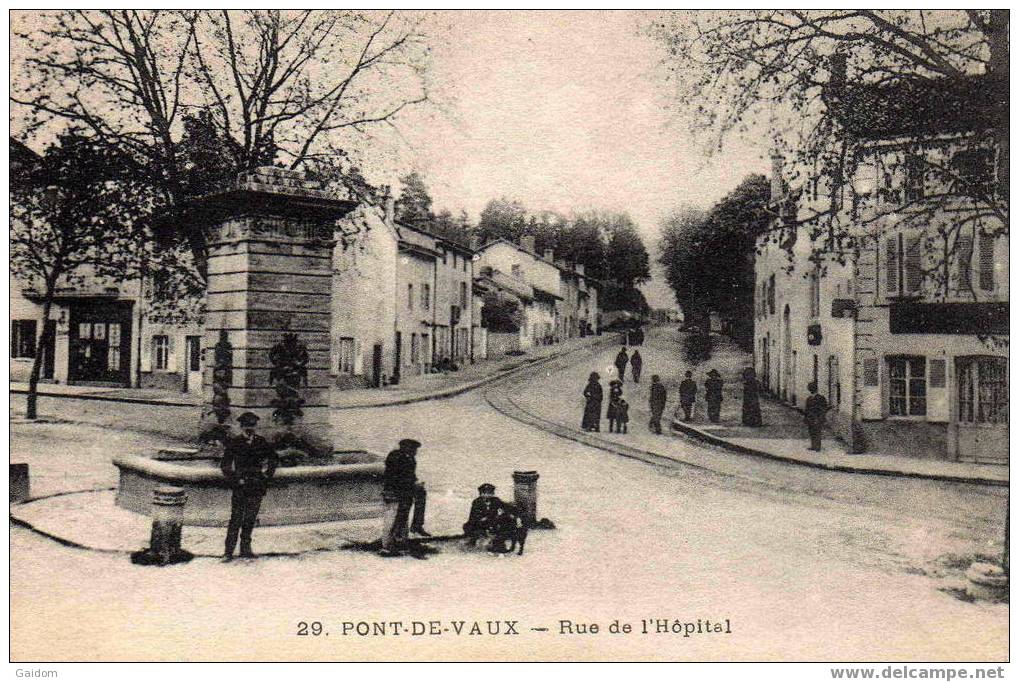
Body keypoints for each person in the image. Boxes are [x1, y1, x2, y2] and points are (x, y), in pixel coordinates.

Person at [221, 411, 278, 560]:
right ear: (241, 426)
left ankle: (246, 549)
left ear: (255, 426)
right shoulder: (235, 442)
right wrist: (235, 479)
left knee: (250, 519)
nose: (249, 428)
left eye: (252, 425)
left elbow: (273, 459)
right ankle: (228, 552)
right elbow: (225, 465)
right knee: (236, 519)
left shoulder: (261, 441)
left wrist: (266, 476)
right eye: (246, 425)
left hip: (256, 485)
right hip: (240, 485)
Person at [380, 438, 430, 556]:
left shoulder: (409, 458)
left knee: (421, 493)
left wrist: (416, 482)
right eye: (414, 449)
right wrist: (413, 484)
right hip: (395, 490)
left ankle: (416, 526)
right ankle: (413, 528)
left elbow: (410, 475)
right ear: (407, 447)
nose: (416, 452)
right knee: (398, 515)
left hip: (404, 490)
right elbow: (395, 476)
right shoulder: (396, 457)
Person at [804, 382, 830, 452]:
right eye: (809, 388)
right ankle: (813, 446)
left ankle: (817, 447)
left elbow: (824, 408)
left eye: (810, 388)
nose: (810, 390)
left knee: (817, 432)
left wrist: (820, 418)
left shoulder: (820, 398)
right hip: (811, 418)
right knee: (811, 432)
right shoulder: (809, 398)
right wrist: (806, 418)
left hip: (817, 418)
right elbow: (807, 410)